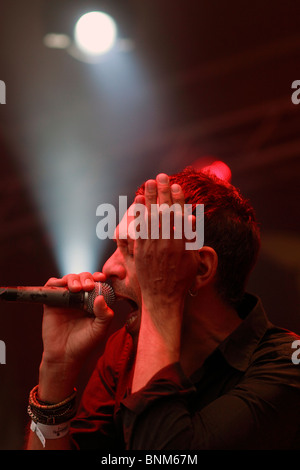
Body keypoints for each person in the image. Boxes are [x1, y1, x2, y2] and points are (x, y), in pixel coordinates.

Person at [26, 167, 300, 450]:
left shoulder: (288, 366)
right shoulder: (122, 352)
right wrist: (56, 372)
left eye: (136, 250)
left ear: (201, 268)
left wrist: (160, 305)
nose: (108, 267)